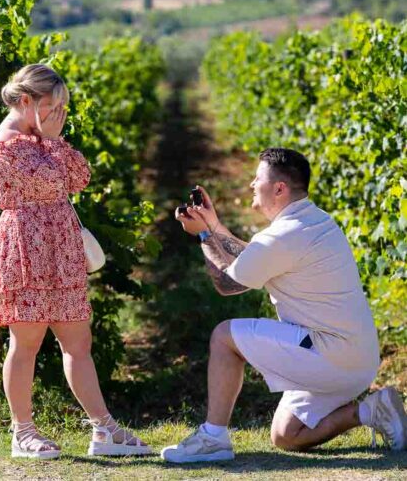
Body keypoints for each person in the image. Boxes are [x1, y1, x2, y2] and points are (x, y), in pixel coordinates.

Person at [161, 148, 406, 463]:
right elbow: (256, 257)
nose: (252, 184)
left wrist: (205, 235)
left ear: (279, 188)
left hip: (329, 354)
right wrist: (214, 225)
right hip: (355, 358)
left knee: (224, 337)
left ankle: (213, 438)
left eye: (258, 178)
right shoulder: (312, 220)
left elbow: (227, 284)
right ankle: (372, 410)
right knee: (287, 436)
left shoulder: (283, 235)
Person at [0, 64, 151, 459]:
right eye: (52, 107)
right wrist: (53, 141)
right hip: (26, 250)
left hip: (60, 247)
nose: (59, 115)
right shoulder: (5, 143)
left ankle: (104, 430)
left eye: (62, 108)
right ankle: (22, 433)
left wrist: (51, 140)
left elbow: (80, 177)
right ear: (26, 101)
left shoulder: (41, 138)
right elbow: (54, 181)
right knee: (26, 344)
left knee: (78, 343)